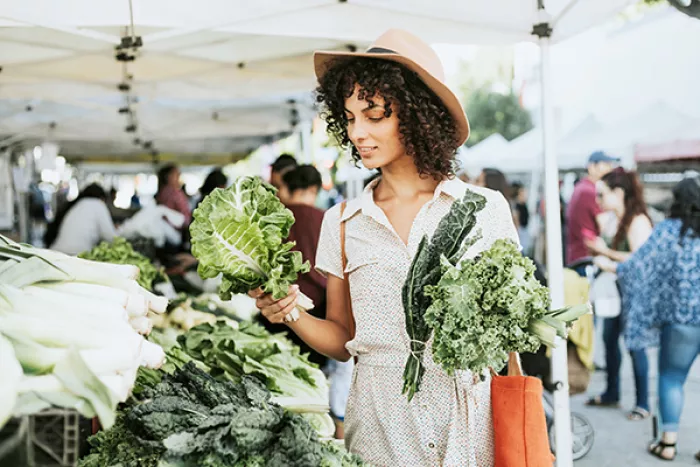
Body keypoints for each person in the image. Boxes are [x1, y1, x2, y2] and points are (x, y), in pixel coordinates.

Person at [249, 29, 519, 466]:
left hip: (468, 428)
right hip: (379, 429)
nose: (357, 131)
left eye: (373, 116)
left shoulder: (485, 209)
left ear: (416, 115)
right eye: (351, 117)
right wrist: (291, 310)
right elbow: (342, 338)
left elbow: (509, 329)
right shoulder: (343, 221)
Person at [595, 175, 700, 461]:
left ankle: (667, 443)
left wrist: (609, 266)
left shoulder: (669, 231)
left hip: (680, 321)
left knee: (671, 378)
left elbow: (639, 266)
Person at [585, 168, 653, 421]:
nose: (598, 201)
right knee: (609, 338)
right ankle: (612, 392)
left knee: (635, 345)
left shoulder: (638, 221)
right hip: (615, 290)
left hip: (635, 292)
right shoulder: (615, 219)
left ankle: (642, 403)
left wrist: (607, 256)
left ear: (619, 192)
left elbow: (641, 260)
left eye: (602, 194)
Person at [259, 164, 328, 368]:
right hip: (317, 315)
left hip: (275, 309)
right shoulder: (325, 220)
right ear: (314, 189)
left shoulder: (271, 221)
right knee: (312, 376)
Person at [565, 151, 619, 275]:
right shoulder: (590, 191)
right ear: (592, 167)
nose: (610, 168)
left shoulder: (581, 188)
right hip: (587, 260)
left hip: (579, 257)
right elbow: (607, 228)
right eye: (606, 164)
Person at [45, 183, 117, 255]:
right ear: (102, 198)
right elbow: (111, 238)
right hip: (75, 255)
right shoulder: (98, 204)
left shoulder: (77, 204)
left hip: (55, 251)